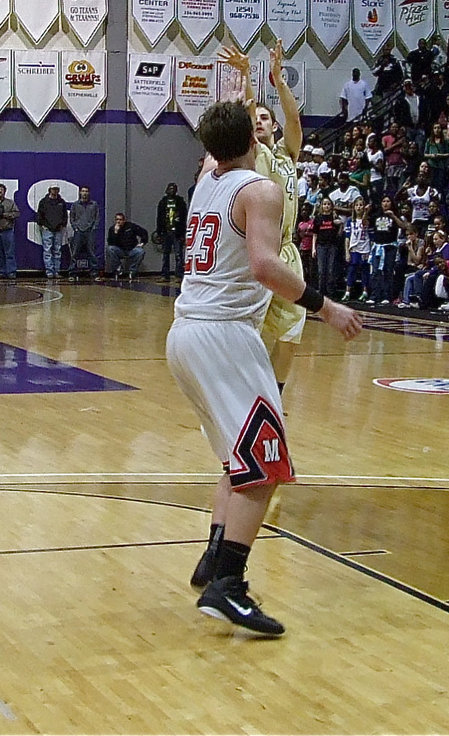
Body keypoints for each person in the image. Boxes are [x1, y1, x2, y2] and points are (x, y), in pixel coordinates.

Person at [168, 101, 361, 636]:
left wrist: (232, 98)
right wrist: (328, 307)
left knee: (239, 457)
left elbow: (218, 143)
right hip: (224, 336)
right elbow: (264, 265)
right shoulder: (261, 190)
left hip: (185, 333)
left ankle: (214, 556)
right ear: (254, 140)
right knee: (266, 462)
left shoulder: (207, 179)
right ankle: (228, 584)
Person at [221, 41, 306, 394]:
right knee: (246, 330)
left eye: (265, 119)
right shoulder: (253, 154)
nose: (259, 121)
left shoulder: (288, 154)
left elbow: (294, 118)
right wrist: (246, 75)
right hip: (256, 251)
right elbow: (249, 108)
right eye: (255, 120)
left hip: (286, 251)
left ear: (273, 125)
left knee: (292, 332)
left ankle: (274, 394)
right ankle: (236, 392)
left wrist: (278, 78)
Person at [155, 182, 188, 282]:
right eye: (170, 189)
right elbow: (159, 218)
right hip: (166, 231)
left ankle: (179, 275)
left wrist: (183, 233)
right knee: (165, 254)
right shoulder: (162, 202)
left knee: (179, 254)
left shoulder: (180, 202)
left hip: (177, 232)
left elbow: (183, 218)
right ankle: (165, 275)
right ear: (166, 190)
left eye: (173, 189)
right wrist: (159, 232)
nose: (171, 190)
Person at [37, 184, 68, 279]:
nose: (55, 191)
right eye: (53, 189)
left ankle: (57, 271)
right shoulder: (44, 202)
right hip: (47, 229)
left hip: (58, 230)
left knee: (57, 251)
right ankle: (49, 271)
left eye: (56, 189)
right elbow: (39, 215)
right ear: (49, 190)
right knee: (47, 251)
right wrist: (42, 225)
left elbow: (64, 215)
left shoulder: (61, 202)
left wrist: (63, 224)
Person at [106, 211, 148, 279]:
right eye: (117, 219)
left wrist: (142, 243)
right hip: (120, 250)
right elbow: (110, 243)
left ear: (124, 220)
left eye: (120, 220)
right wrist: (115, 233)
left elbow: (143, 232)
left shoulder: (131, 226)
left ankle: (132, 271)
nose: (118, 221)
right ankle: (118, 269)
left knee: (140, 252)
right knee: (110, 249)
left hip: (131, 249)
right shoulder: (112, 229)